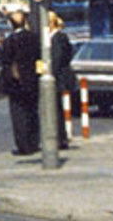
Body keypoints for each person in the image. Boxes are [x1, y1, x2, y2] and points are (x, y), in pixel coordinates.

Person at [0, 10, 40, 155]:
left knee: (18, 115)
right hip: (32, 81)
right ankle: (34, 143)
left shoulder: (10, 41)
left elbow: (4, 60)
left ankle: (23, 145)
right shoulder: (34, 38)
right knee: (32, 112)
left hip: (15, 83)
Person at [48, 11, 75, 149]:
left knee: (56, 109)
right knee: (56, 108)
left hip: (58, 78)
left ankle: (60, 139)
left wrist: (49, 72)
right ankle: (60, 137)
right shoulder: (57, 37)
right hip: (58, 77)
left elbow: (58, 59)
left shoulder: (58, 38)